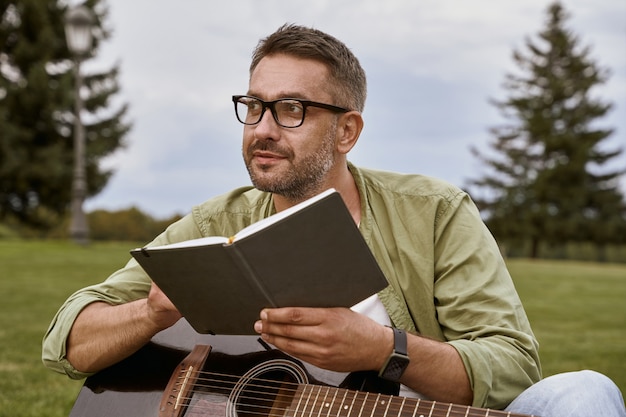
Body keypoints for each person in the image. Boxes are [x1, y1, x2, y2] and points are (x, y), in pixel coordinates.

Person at [43, 24, 625, 416]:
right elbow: (67, 341)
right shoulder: (212, 222)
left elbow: (515, 368)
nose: (262, 129)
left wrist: (384, 351)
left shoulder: (435, 212)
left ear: (347, 131)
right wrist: (150, 312)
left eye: (291, 109)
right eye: (253, 107)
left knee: (586, 393)